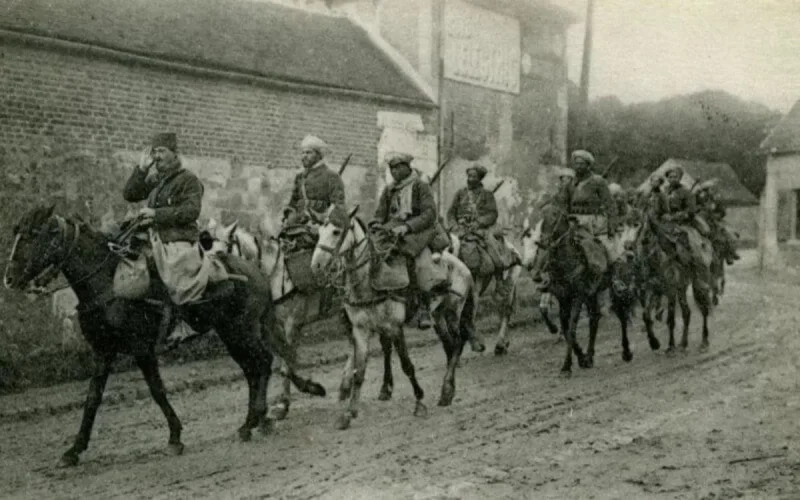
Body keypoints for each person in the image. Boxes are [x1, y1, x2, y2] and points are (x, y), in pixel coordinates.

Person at [122, 132, 232, 348]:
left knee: (174, 271)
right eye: (154, 152)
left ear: (174, 154)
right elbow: (130, 194)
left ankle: (183, 322)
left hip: (178, 238)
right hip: (154, 236)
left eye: (161, 151)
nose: (157, 156)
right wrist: (142, 169)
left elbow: (190, 211)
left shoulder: (188, 180)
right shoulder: (155, 179)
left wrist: (156, 214)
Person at [370, 153, 449, 326]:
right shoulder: (389, 189)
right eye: (392, 168)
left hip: (418, 232)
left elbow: (429, 214)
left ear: (407, 167)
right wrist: (376, 224)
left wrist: (407, 227)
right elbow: (380, 213)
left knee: (417, 262)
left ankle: (423, 306)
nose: (394, 171)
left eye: (398, 167)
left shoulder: (421, 186)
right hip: (392, 230)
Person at [530, 150, 618, 285]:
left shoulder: (598, 182)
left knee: (608, 252)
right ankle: (546, 276)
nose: (578, 166)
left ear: (588, 165)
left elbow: (610, 205)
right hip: (572, 222)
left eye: (582, 164)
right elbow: (561, 203)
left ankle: (614, 281)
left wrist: (611, 226)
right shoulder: (570, 183)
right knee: (551, 243)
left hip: (594, 224)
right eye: (576, 163)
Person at [446, 165, 515, 276]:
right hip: (458, 229)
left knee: (494, 256)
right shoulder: (460, 193)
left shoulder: (487, 194)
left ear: (480, 178)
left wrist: (479, 222)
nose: (471, 179)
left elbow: (492, 214)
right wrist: (453, 225)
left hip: (479, 230)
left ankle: (498, 277)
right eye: (469, 176)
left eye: (474, 176)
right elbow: (451, 213)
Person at [284, 135, 346, 228]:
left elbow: (338, 206)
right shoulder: (300, 177)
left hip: (320, 228)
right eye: (303, 153)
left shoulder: (331, 176)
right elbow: (293, 202)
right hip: (298, 225)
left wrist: (325, 220)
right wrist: (290, 217)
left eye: (308, 152)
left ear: (318, 155)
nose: (304, 156)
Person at [661, 166, 712, 272]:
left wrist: (676, 216)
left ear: (679, 178)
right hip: (664, 223)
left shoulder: (686, 192)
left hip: (682, 224)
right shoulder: (663, 192)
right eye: (670, 177)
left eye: (675, 177)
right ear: (667, 179)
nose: (673, 179)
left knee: (694, 245)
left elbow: (691, 210)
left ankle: (697, 272)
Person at [695, 183, 740, 265]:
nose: (707, 192)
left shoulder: (716, 200)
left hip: (715, 220)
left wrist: (715, 215)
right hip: (702, 219)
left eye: (708, 190)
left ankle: (730, 253)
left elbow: (722, 212)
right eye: (704, 190)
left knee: (728, 234)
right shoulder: (699, 199)